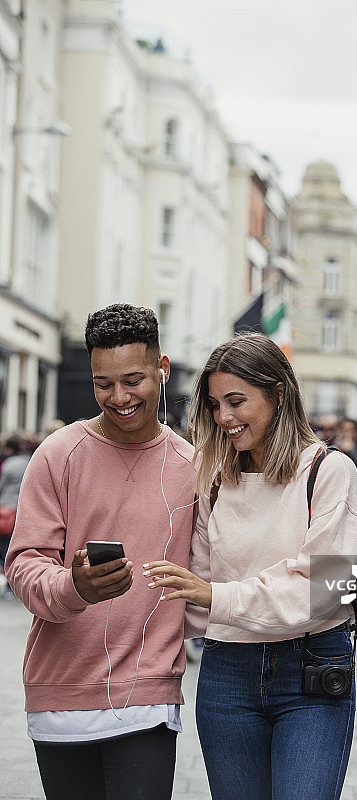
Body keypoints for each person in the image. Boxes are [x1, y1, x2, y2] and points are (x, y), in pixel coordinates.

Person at [143, 332, 357, 800]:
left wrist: (220, 596)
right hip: (226, 673)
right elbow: (194, 587)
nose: (224, 418)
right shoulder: (214, 482)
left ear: (278, 393)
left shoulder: (330, 471)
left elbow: (327, 588)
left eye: (236, 401)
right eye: (215, 405)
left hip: (312, 669)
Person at [5, 304, 197, 800]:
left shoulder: (193, 467)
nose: (119, 397)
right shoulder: (57, 454)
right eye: (103, 383)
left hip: (149, 694)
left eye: (133, 380)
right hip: (61, 694)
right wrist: (74, 587)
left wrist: (352, 595)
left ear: (163, 370)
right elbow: (23, 564)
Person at [0, 433, 31, 597]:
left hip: (7, 510)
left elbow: (2, 486)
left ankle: (9, 587)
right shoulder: (30, 461)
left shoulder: (9, 464)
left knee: (6, 548)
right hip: (25, 509)